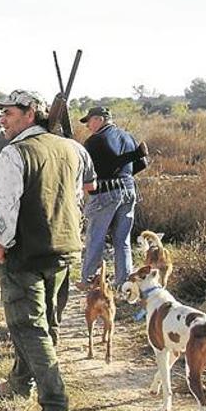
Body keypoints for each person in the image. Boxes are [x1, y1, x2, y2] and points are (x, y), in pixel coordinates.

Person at [0, 90, 92, 411]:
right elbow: (79, 198)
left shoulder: (13, 153)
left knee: (29, 327)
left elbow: (5, 206)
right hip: (64, 249)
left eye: (9, 113)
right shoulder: (72, 148)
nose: (2, 120)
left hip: (25, 254)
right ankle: (21, 383)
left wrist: (0, 243)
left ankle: (56, 407)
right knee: (45, 324)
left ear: (30, 114)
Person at [76, 106, 144, 291]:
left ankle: (89, 280)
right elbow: (142, 163)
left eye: (89, 121)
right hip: (129, 189)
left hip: (105, 192)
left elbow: (84, 170)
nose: (88, 126)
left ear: (99, 119)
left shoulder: (95, 140)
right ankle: (123, 282)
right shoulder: (128, 137)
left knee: (95, 238)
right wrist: (123, 175)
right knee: (122, 240)